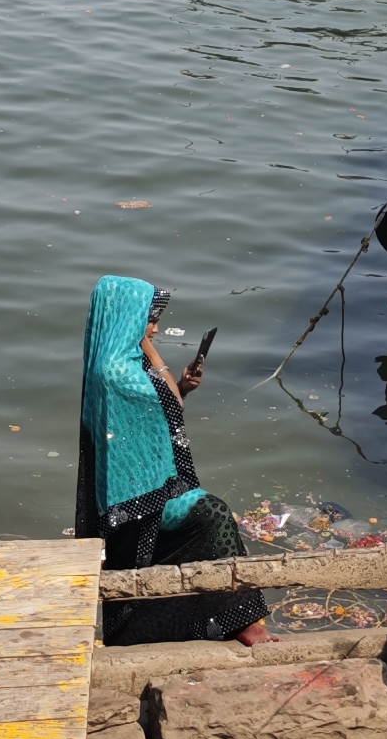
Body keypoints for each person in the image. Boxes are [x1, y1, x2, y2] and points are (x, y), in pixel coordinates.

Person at [76, 275, 269, 648]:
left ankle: (222, 620)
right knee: (213, 513)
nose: (156, 327)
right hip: (138, 497)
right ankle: (241, 621)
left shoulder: (122, 362)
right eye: (150, 318)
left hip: (147, 485)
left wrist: (179, 384)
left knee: (207, 516)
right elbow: (168, 407)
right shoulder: (119, 373)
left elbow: (165, 407)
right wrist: (155, 355)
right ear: (129, 317)